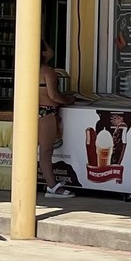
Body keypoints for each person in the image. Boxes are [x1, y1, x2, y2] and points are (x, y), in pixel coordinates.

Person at [38, 42, 75, 197]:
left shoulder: (26, 69)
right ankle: (52, 186)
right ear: (44, 53)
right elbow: (53, 95)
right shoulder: (48, 71)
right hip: (46, 112)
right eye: (48, 47)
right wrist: (69, 99)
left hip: (30, 112)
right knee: (46, 152)